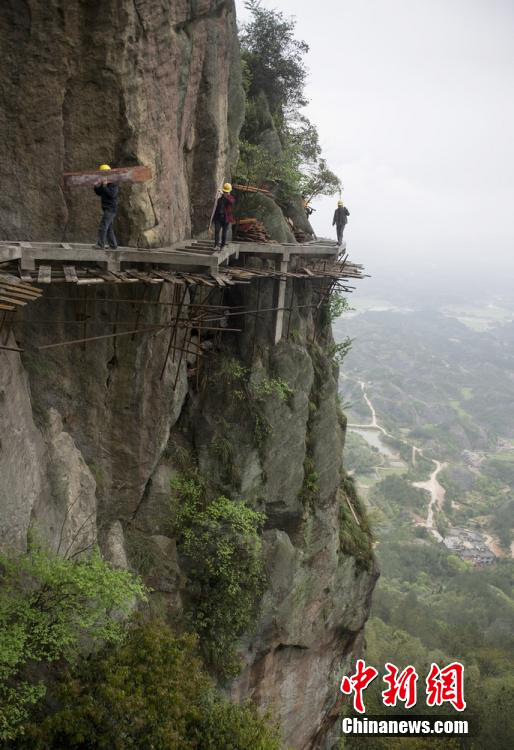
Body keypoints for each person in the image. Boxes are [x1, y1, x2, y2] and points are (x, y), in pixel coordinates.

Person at [93, 164, 119, 249]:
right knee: (109, 228)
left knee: (103, 225)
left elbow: (112, 194)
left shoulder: (113, 184)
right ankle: (113, 245)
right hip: (106, 208)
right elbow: (99, 192)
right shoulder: (105, 184)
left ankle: (100, 245)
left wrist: (104, 186)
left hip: (111, 209)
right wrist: (96, 186)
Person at [213, 183, 235, 249]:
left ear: (229, 192)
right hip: (219, 218)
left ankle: (223, 245)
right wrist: (214, 219)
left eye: (227, 192)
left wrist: (226, 196)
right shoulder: (219, 199)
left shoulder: (231, 198)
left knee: (224, 233)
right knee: (217, 230)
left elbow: (231, 202)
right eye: (225, 192)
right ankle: (216, 245)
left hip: (226, 218)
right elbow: (216, 209)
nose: (226, 193)